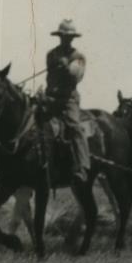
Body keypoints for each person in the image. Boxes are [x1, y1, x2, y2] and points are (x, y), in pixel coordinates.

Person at [44, 19, 90, 184]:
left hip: (68, 99)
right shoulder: (51, 54)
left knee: (74, 127)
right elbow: (50, 74)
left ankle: (82, 167)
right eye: (64, 36)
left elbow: (76, 77)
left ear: (73, 38)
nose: (66, 39)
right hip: (50, 97)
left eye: (69, 37)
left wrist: (66, 67)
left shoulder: (78, 57)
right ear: (59, 36)